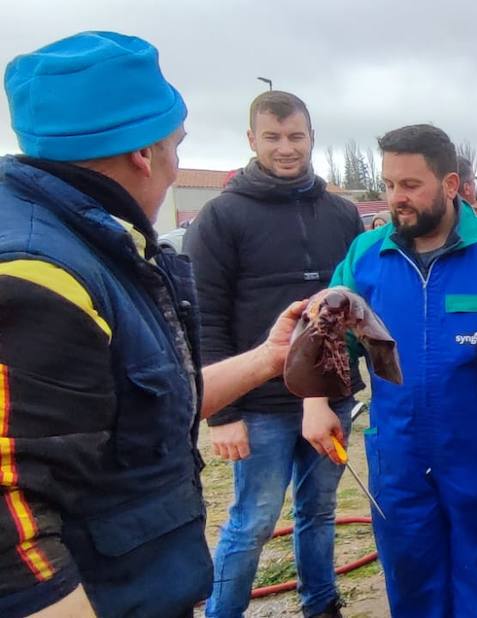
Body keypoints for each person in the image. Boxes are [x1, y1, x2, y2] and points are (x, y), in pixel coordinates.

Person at [0, 31, 316, 616]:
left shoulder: (97, 244)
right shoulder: (37, 274)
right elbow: (11, 529)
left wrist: (270, 358)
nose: (175, 165)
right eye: (176, 145)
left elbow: (140, 404)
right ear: (144, 152)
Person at [321, 124, 477, 617]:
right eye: (389, 185)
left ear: (450, 184)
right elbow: (327, 334)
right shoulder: (366, 255)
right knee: (410, 574)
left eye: (410, 185)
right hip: (398, 447)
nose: (397, 199)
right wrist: (315, 403)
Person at [184, 90, 364, 618]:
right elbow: (204, 318)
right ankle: (225, 611)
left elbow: (356, 306)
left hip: (331, 398)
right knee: (254, 519)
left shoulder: (342, 213)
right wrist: (223, 414)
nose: (286, 149)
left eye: (296, 137)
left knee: (320, 510)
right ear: (251, 140)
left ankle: (321, 603)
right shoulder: (221, 216)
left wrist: (344, 383)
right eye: (273, 137)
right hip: (258, 403)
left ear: (311, 138)